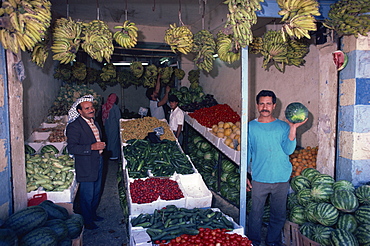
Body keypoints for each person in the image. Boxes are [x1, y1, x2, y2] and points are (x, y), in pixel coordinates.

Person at [246, 90, 307, 246]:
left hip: (281, 177)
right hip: (260, 177)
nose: (264, 107)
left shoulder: (282, 126)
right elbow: (247, 152)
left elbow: (289, 150)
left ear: (274, 106)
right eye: (261, 103)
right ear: (257, 105)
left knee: (278, 215)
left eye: (268, 103)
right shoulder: (250, 127)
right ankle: (254, 241)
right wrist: (244, 174)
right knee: (255, 214)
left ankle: (273, 241)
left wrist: (293, 128)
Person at [66, 95, 106, 230]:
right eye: (87, 108)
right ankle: (87, 220)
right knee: (87, 195)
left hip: (98, 161)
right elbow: (71, 148)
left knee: (96, 192)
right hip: (86, 164)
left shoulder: (94, 121)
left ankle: (93, 214)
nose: (91, 110)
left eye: (92, 107)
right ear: (79, 111)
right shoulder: (74, 126)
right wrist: (91, 147)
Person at [102, 93, 121, 161]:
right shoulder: (115, 107)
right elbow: (118, 118)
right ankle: (114, 155)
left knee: (109, 141)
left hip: (107, 126)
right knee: (114, 141)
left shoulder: (105, 106)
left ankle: (109, 154)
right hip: (114, 127)